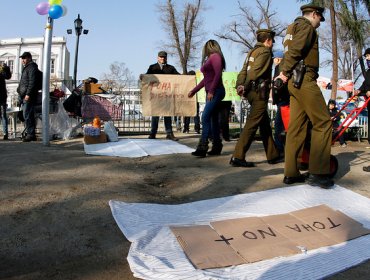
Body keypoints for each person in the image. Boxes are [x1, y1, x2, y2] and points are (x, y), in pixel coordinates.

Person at [276, 4, 334, 188]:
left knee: (296, 127)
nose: (319, 24)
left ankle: (291, 173)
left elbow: (288, 52)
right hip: (304, 78)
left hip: (293, 82)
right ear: (315, 15)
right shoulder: (307, 27)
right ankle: (318, 172)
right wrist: (284, 73)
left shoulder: (291, 28)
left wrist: (283, 74)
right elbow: (296, 51)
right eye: (320, 20)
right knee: (323, 122)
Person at [230, 29, 281, 168]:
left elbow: (243, 71)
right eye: (272, 42)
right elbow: (254, 72)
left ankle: (273, 155)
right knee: (252, 124)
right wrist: (244, 86)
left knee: (264, 124)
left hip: (252, 92)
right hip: (259, 92)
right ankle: (237, 156)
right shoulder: (265, 52)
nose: (272, 45)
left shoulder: (251, 52)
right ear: (268, 40)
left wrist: (240, 85)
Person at [188, 39, 226, 157]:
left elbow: (218, 74)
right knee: (212, 119)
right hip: (212, 91)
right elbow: (206, 79)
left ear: (208, 47)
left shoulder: (215, 57)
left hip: (215, 91)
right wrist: (194, 90)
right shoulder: (211, 58)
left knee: (205, 116)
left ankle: (203, 147)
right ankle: (216, 146)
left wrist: (212, 91)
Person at [145, 51, 179, 141]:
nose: (162, 58)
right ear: (157, 58)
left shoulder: (171, 68)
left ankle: (169, 134)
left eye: (164, 57)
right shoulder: (152, 67)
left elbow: (179, 77)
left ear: (166, 58)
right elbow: (147, 77)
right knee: (155, 115)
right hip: (156, 95)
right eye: (161, 57)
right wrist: (143, 77)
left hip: (167, 95)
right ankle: (153, 133)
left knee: (167, 115)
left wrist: (188, 77)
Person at [17, 52, 39, 142]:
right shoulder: (27, 68)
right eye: (22, 58)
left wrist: (28, 94)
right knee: (26, 114)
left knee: (27, 114)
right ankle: (30, 133)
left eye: (24, 58)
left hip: (27, 95)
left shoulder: (32, 67)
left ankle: (31, 134)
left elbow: (32, 82)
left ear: (29, 58)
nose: (23, 60)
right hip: (23, 95)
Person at [272, 50, 289, 154]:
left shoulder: (280, 67)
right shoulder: (279, 68)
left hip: (283, 100)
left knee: (279, 126)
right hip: (281, 100)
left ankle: (279, 148)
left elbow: (279, 84)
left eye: (274, 58)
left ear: (278, 59)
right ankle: (281, 147)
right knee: (280, 125)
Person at [0, 62, 12, 140]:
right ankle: (5, 133)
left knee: (3, 116)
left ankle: (5, 134)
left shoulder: (1, 71)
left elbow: (8, 76)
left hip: (2, 97)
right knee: (3, 116)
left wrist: (6, 68)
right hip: (2, 96)